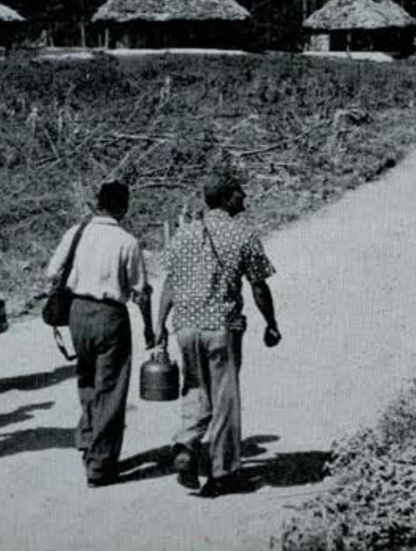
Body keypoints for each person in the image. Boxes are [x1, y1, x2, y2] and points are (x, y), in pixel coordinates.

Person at [156, 168, 281, 498]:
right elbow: (258, 285)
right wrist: (271, 323)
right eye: (239, 192)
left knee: (195, 389)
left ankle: (185, 446)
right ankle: (222, 472)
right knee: (225, 400)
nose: (245, 198)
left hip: (185, 327)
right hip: (221, 329)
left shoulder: (183, 235)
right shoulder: (242, 235)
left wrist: (159, 328)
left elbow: (169, 284)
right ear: (226, 198)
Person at [43, 181, 154, 487]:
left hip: (77, 312)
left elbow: (51, 272)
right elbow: (140, 291)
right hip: (110, 315)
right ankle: (100, 463)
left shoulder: (76, 232)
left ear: (97, 203)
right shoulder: (127, 241)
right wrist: (149, 327)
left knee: (87, 376)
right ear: (123, 206)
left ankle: (87, 436)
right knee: (112, 387)